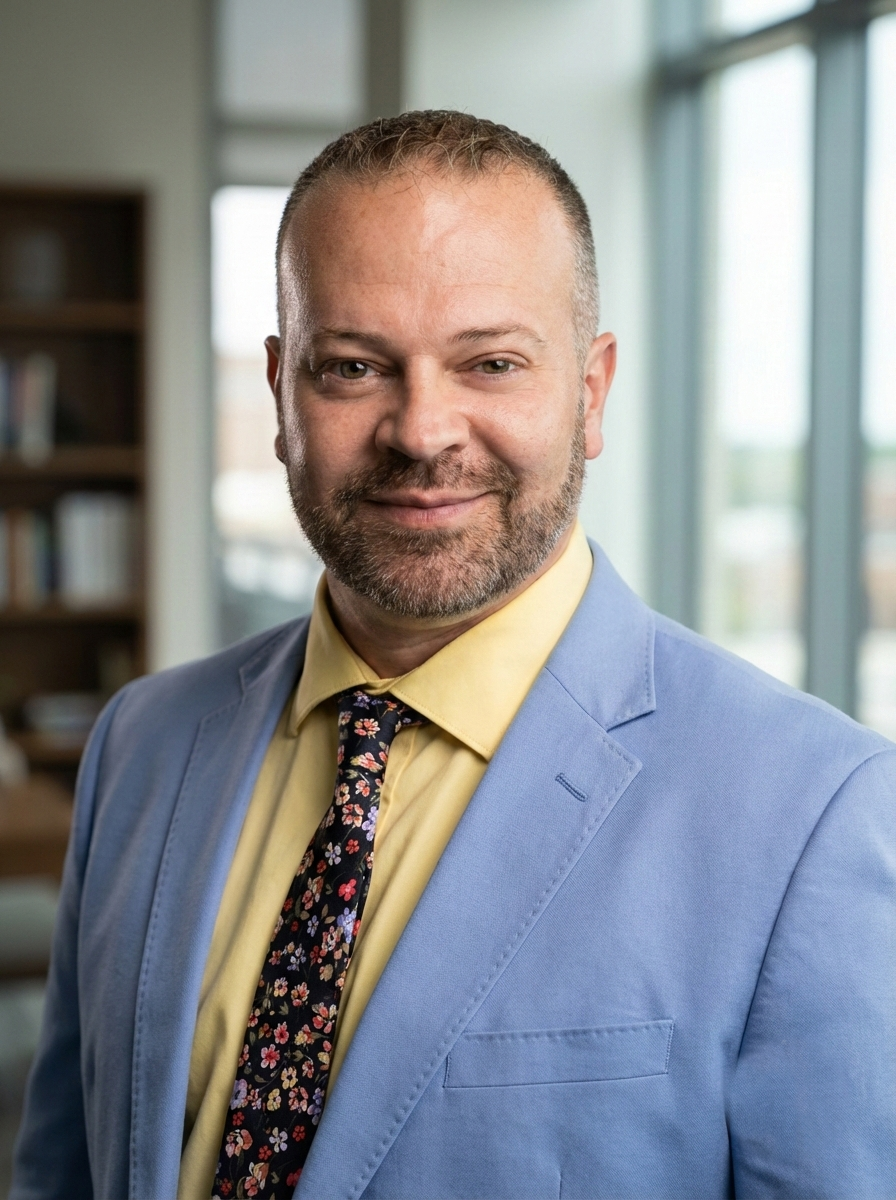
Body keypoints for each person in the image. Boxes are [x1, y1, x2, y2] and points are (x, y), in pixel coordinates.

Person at [12, 111, 894, 1200]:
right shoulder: (141, 742)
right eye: (352, 368)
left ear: (589, 391)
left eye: (489, 361)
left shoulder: (813, 812)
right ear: (283, 392)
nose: (421, 431)